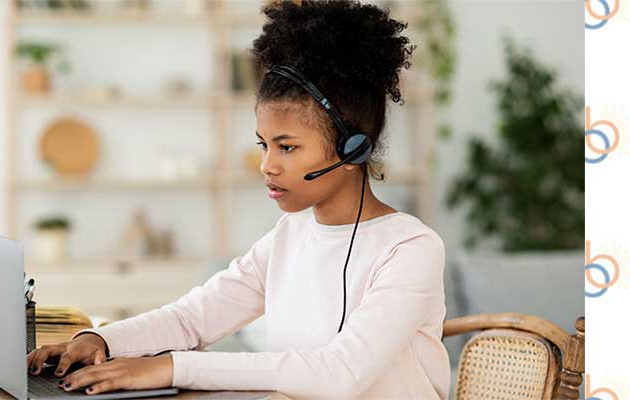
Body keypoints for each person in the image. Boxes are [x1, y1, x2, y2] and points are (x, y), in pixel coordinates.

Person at [27, 1, 450, 398]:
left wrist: (172, 368)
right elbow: (193, 318)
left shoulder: (410, 249)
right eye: (263, 145)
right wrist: (101, 339)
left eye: (286, 147)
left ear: (352, 149)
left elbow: (341, 373)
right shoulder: (290, 235)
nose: (267, 165)